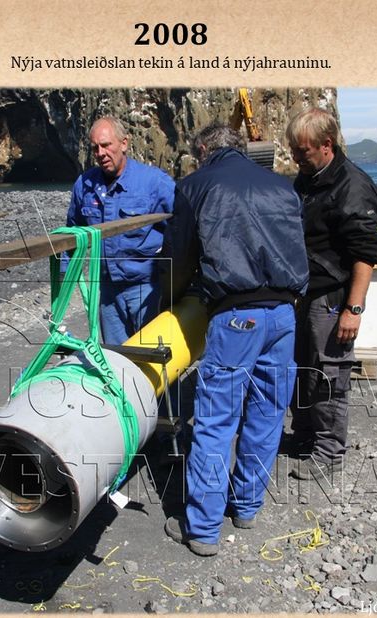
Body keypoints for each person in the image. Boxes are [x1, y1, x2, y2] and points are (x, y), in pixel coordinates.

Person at [159, 123, 309, 556]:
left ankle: (203, 530)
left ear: (204, 150)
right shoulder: (281, 186)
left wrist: (169, 300)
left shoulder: (195, 186)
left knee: (216, 419)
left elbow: (179, 256)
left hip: (237, 315)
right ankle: (246, 506)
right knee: (267, 413)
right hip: (284, 312)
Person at [284, 108, 377, 479]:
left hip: (333, 296)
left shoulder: (352, 186)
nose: (296, 157)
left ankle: (329, 453)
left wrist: (353, 309)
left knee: (329, 374)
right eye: (294, 150)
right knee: (302, 369)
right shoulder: (309, 178)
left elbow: (366, 253)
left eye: (302, 150)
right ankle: (305, 435)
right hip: (305, 291)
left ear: (326, 145)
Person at [65, 116, 175, 344]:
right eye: (95, 148)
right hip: (108, 293)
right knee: (116, 358)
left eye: (106, 145)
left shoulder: (154, 183)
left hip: (147, 288)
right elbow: (71, 234)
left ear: (124, 143)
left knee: (153, 356)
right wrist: (63, 280)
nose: (101, 153)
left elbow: (182, 228)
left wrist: (183, 278)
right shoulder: (84, 185)